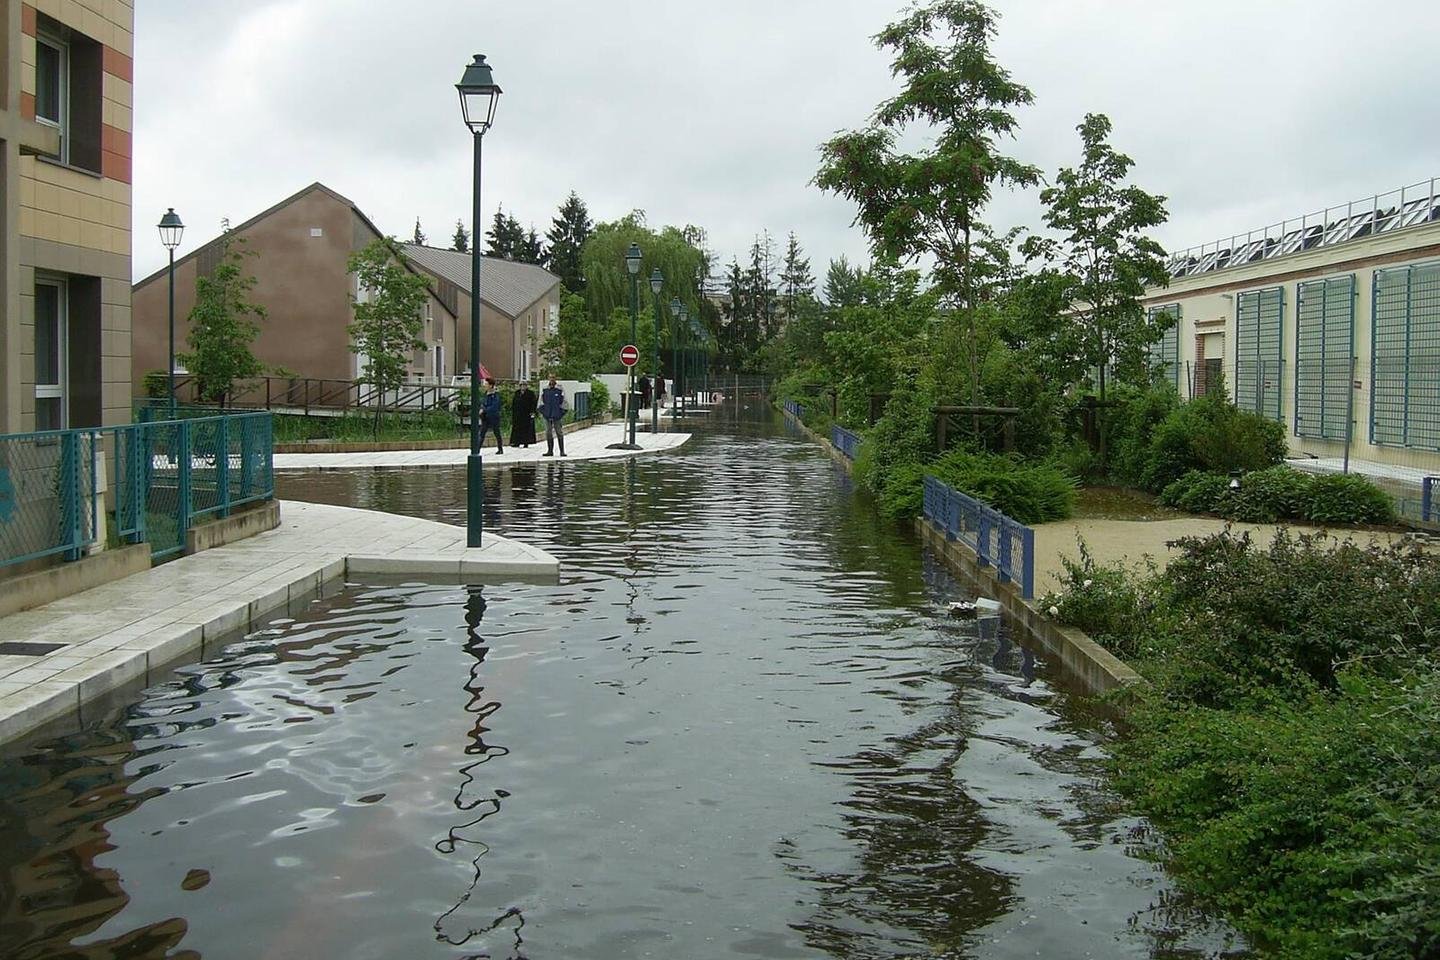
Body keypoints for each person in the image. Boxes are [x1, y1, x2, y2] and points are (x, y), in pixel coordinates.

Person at [540, 375, 567, 457]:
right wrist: (543, 412)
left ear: (555, 379)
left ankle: (562, 451)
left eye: (553, 377)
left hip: (557, 415)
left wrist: (561, 413)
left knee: (559, 432)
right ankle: (550, 451)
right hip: (547, 415)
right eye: (550, 377)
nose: (552, 379)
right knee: (548, 432)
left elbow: (564, 402)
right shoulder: (545, 389)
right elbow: (541, 401)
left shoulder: (559, 389)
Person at [477, 378, 504, 454]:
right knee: (482, 433)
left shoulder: (495, 395)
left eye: (486, 384)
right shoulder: (485, 394)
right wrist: (481, 409)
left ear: (491, 385)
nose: (485, 385)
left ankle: (500, 448)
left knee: (496, 432)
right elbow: (482, 403)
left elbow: (495, 406)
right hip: (485, 417)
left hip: (494, 416)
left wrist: (485, 410)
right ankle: (477, 449)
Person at [510, 381, 538, 449]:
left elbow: (533, 403)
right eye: (521, 385)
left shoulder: (530, 393)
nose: (523, 386)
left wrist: (532, 412)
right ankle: (517, 442)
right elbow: (514, 403)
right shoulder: (517, 393)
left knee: (526, 429)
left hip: (526, 414)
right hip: (518, 414)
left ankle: (526, 442)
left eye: (524, 385)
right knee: (517, 428)